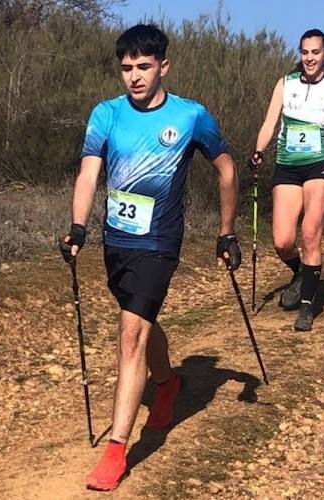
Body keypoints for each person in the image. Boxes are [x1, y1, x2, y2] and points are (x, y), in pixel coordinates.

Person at [60, 24, 240, 491]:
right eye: (126, 69)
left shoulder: (190, 116)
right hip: (116, 239)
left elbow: (226, 168)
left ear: (164, 66)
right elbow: (87, 174)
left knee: (130, 333)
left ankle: (117, 450)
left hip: (160, 241)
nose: (134, 77)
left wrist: (226, 231)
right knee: (138, 317)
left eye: (144, 67)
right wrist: (78, 226)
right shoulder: (106, 114)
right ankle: (168, 382)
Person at [250, 28, 324, 331]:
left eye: (316, 52)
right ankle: (302, 272)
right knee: (282, 241)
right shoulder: (285, 84)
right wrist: (258, 150)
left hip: (321, 165)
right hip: (287, 165)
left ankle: (308, 305)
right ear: (300, 53)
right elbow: (270, 122)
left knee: (310, 232)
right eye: (305, 52)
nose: (310, 58)